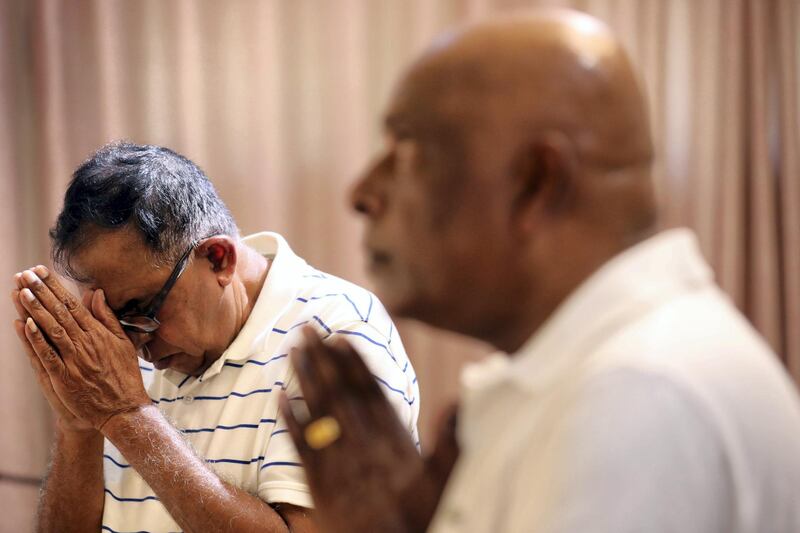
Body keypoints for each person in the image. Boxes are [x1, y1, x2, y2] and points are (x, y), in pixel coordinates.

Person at [279, 8, 800, 533]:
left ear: (536, 184)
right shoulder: (618, 368)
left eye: (406, 150)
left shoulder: (633, 397)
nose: (361, 193)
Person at [10, 142, 420, 533]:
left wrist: (129, 415)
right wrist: (78, 425)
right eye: (113, 318)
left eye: (143, 308)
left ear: (217, 258)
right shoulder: (115, 354)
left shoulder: (337, 333)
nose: (134, 344)